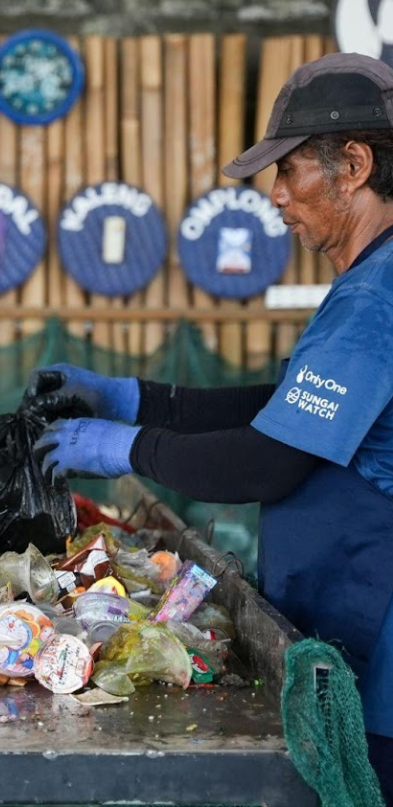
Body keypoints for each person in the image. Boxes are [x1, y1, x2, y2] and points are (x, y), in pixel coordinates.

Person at [31, 50, 393, 803]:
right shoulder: (373, 281)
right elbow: (284, 406)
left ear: (353, 164)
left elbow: (268, 460)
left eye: (289, 170)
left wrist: (125, 448)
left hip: (383, 658)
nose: (277, 196)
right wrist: (135, 398)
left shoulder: (375, 302)